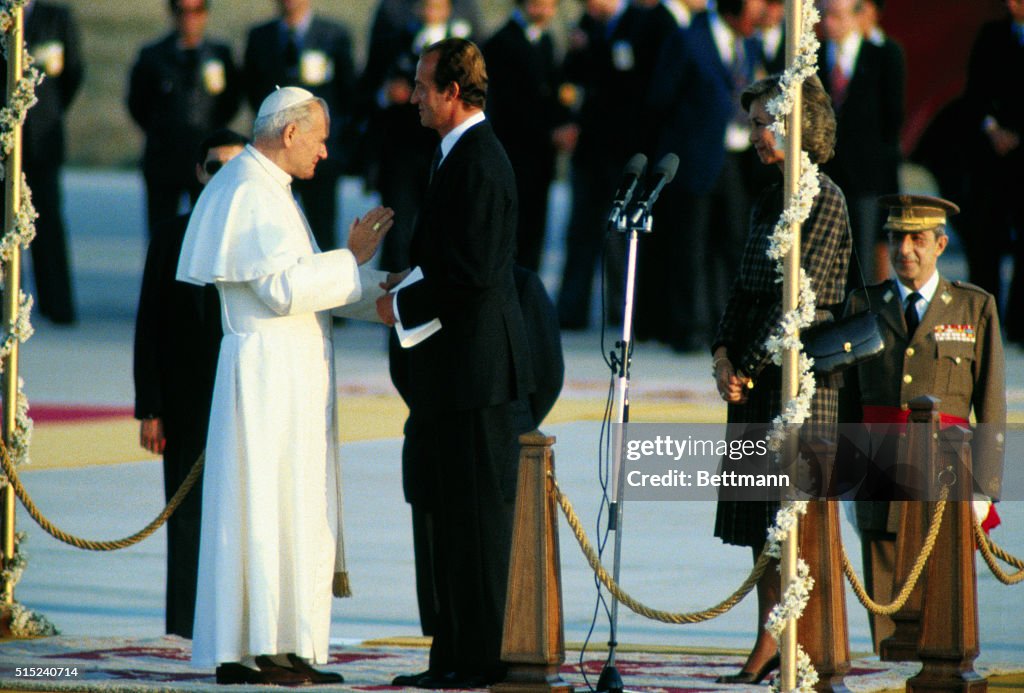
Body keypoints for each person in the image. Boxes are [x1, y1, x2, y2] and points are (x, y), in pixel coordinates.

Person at [176, 86, 395, 685]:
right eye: (320, 140)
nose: (325, 153)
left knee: (290, 512)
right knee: (264, 511)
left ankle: (284, 646)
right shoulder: (248, 189)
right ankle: (261, 649)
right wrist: (349, 257)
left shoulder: (269, 188)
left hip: (287, 376)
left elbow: (303, 284)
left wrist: (381, 285)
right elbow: (282, 291)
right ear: (290, 133)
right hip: (265, 378)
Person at [376, 38, 534, 689]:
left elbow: (472, 272)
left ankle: (479, 660)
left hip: (479, 380)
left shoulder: (480, 162)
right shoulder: (454, 156)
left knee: (477, 525)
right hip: (452, 378)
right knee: (448, 517)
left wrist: (400, 302)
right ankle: (451, 655)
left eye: (421, 85)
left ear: (452, 92)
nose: (412, 95)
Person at [711, 74, 850, 684]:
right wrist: (722, 356)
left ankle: (794, 642)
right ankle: (768, 637)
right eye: (753, 124)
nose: (755, 135)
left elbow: (801, 296)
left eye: (764, 123)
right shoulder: (769, 196)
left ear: (799, 126)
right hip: (752, 381)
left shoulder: (825, 199)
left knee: (788, 522)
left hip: (799, 388)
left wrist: (746, 363)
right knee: (756, 527)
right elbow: (743, 290)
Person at [841, 194, 1006, 652]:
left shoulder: (973, 308)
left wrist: (983, 487)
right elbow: (849, 401)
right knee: (888, 609)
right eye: (896, 239)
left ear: (940, 244)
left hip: (947, 476)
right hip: (879, 473)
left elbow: (990, 405)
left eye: (917, 239)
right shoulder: (864, 304)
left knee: (945, 606)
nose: (905, 250)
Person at [133, 128, 247, 640]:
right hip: (185, 405)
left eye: (234, 168)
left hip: (245, 400)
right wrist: (150, 409)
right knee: (187, 523)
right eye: (213, 168)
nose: (222, 178)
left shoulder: (258, 234)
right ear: (199, 173)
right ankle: (183, 629)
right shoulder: (171, 236)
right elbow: (149, 326)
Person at [638, 0, 766, 351]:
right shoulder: (688, 39)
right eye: (752, 12)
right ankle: (688, 328)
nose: (759, 19)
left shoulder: (752, 43)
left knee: (733, 241)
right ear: (732, 11)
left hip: (738, 157)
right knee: (690, 246)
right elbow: (660, 97)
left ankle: (725, 324)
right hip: (695, 156)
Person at [556, 0, 657, 330]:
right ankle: (572, 310)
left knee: (619, 236)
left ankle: (620, 311)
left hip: (623, 151)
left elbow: (630, 80)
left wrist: (595, 48)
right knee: (581, 230)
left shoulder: (638, 22)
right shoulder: (588, 23)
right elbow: (574, 75)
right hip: (591, 150)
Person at [358, 0, 472, 273]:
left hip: (443, 149)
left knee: (443, 228)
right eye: (425, 5)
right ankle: (395, 300)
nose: (430, 11)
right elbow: (368, 87)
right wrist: (387, 95)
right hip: (402, 151)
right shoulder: (395, 41)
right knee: (398, 231)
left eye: (437, 5)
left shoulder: (463, 49)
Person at [243, 0, 357, 252]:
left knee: (321, 228)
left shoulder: (333, 36)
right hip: (276, 151)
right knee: (272, 225)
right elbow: (253, 91)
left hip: (318, 151)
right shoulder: (260, 37)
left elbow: (348, 93)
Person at [127, 0, 242, 237]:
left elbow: (232, 100)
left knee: (207, 232)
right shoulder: (153, 56)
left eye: (197, 10)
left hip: (206, 157)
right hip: (164, 157)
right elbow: (137, 103)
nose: (190, 18)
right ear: (172, 13)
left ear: (205, 14)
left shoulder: (220, 54)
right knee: (161, 233)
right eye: (182, 11)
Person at [1, 0, 84, 325]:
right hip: (4, 136)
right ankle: (6, 302)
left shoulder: (56, 19)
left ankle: (57, 303)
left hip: (42, 138)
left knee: (46, 220)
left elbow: (72, 73)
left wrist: (47, 110)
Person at [483, 0, 575, 273]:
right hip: (513, 155)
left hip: (539, 158)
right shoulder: (501, 43)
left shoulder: (546, 41)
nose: (546, 11)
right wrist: (549, 131)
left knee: (534, 234)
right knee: (509, 235)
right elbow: (508, 104)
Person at [817, 0, 904, 286]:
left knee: (863, 258)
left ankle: (861, 325)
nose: (829, 23)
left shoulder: (882, 56)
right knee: (825, 257)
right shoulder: (811, 57)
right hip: (823, 178)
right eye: (824, 14)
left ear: (856, 17)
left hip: (865, 179)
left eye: (837, 16)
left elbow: (892, 119)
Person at [962, 0, 1024, 342]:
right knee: (986, 240)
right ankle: (984, 322)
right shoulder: (992, 36)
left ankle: (1019, 323)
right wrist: (992, 128)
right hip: (993, 157)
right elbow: (975, 90)